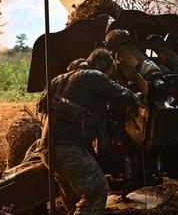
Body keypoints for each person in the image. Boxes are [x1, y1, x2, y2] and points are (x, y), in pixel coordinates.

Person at [39, 48, 141, 215]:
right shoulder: (92, 75)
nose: (107, 78)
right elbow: (120, 93)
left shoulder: (59, 79)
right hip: (68, 150)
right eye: (108, 75)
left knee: (75, 202)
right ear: (102, 66)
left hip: (47, 149)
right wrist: (138, 97)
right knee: (97, 192)